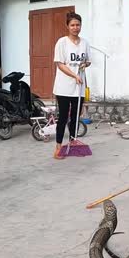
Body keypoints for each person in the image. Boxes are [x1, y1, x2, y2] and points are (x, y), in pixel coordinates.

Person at [52, 11, 91, 159]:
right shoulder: (62, 42)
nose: (76, 27)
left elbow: (88, 60)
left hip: (79, 87)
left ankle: (73, 145)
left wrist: (85, 64)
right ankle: (58, 147)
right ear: (67, 26)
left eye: (78, 25)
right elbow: (59, 64)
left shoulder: (85, 43)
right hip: (64, 86)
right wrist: (74, 75)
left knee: (75, 117)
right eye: (73, 25)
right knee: (63, 117)